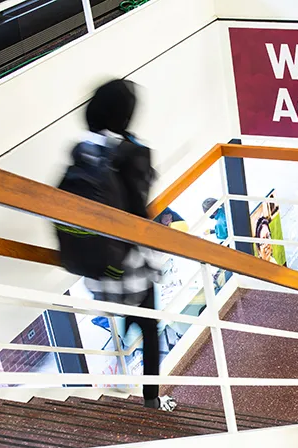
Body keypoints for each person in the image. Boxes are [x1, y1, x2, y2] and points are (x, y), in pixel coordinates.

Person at [78, 79, 176, 412]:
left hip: (97, 271)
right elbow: (139, 218)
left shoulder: (81, 152)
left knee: (128, 320)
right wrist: (158, 264)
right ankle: (150, 400)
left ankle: (124, 373)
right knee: (149, 329)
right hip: (130, 271)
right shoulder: (133, 154)